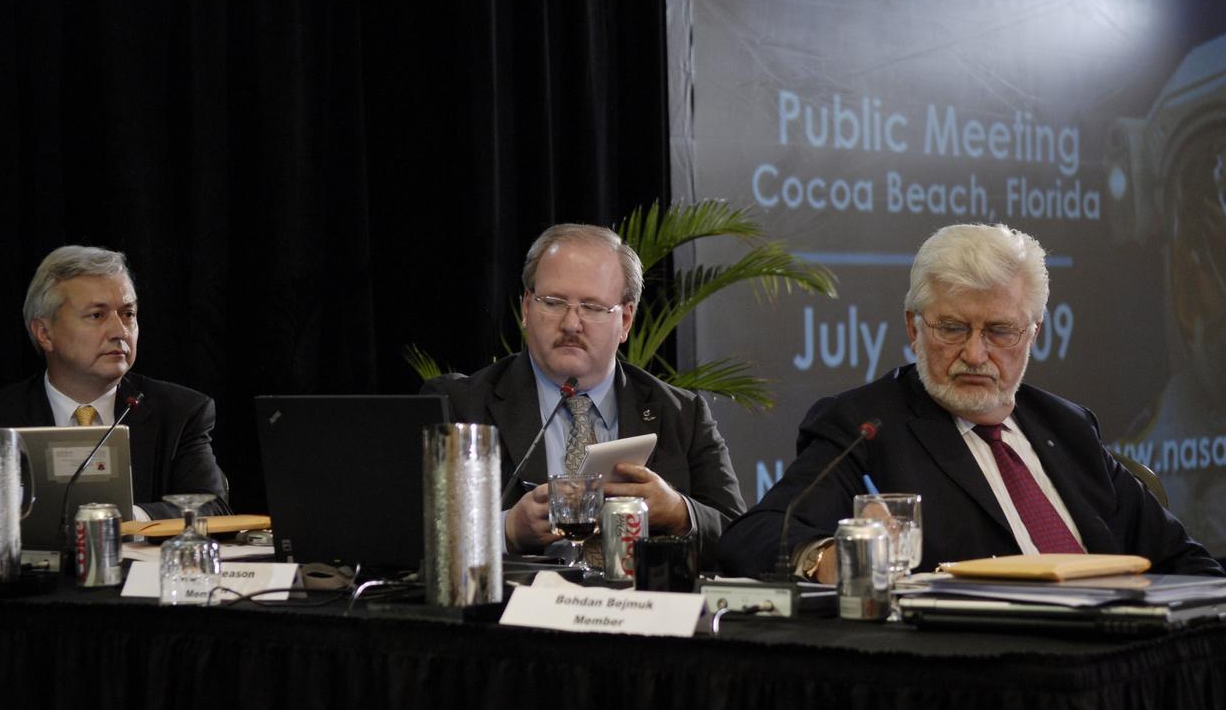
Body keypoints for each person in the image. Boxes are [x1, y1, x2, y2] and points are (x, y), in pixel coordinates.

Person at [717, 223, 1223, 581]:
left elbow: (1186, 563)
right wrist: (833, 556)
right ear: (914, 327)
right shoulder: (865, 428)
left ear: (1033, 334)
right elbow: (757, 534)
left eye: (999, 330)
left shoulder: (1067, 426)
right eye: (953, 328)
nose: (975, 354)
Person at [422, 223, 745, 569]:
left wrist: (681, 513)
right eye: (554, 302)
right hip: (509, 617)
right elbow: (409, 538)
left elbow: (742, 540)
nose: (572, 324)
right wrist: (506, 530)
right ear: (527, 308)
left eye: (591, 308)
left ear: (625, 320)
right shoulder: (458, 405)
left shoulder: (682, 414)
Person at [0, 245, 230, 519]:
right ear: (45, 333)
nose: (120, 331)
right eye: (97, 315)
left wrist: (125, 520)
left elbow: (212, 507)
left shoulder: (180, 412)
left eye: (128, 314)